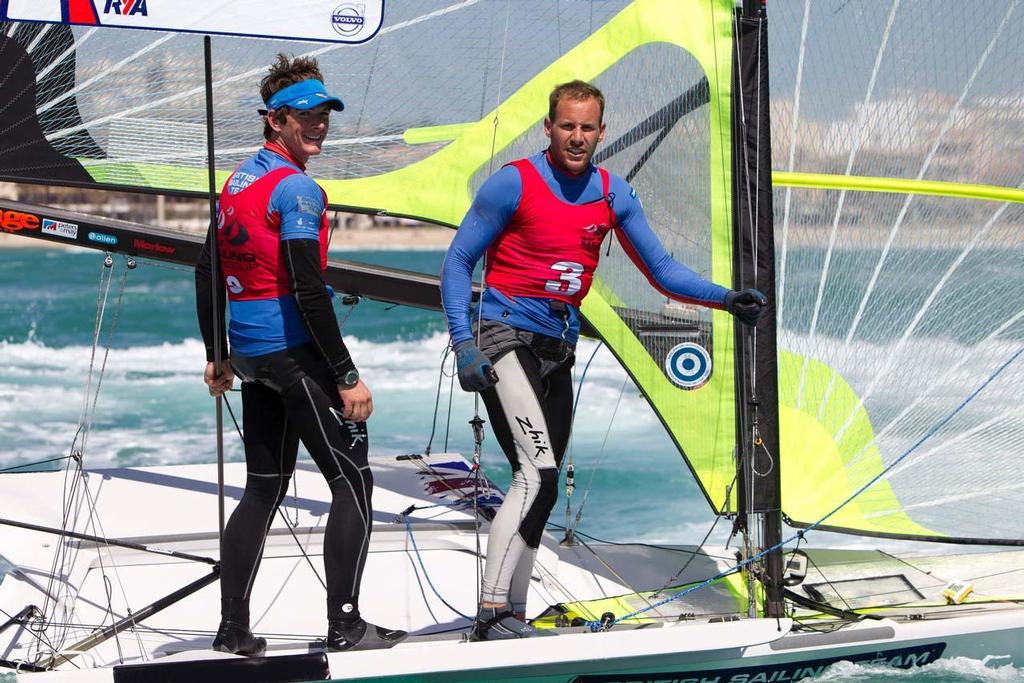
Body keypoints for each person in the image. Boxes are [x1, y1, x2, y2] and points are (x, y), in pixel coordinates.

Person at [440, 80, 767, 641]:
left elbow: (662, 271)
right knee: (536, 470)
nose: (576, 136)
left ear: (600, 132)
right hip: (503, 338)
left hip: (558, 350)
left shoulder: (614, 194)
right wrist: (464, 345)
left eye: (587, 127)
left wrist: (726, 298)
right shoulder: (513, 184)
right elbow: (458, 261)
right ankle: (490, 613)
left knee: (542, 485)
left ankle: (514, 614)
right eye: (566, 125)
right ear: (549, 127)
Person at [195, 54, 406, 655]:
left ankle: (233, 628)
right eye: (307, 116)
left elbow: (206, 270)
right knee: (353, 483)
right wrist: (345, 375)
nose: (319, 125)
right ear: (277, 121)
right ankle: (345, 624)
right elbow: (309, 290)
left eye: (325, 115)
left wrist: (220, 353)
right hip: (292, 356)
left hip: (254, 357)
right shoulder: (298, 190)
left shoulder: (238, 181)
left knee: (262, 489)